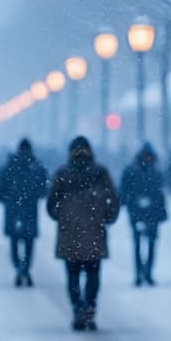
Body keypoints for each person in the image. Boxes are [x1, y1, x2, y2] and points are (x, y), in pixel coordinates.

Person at [46, 136, 120, 331]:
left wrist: (62, 217)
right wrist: (107, 218)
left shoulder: (63, 173)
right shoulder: (100, 173)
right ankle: (90, 306)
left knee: (72, 274)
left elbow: (51, 204)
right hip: (94, 232)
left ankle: (77, 307)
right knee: (93, 272)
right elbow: (113, 199)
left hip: (70, 233)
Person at [0, 139, 49, 286]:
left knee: (14, 241)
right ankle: (26, 267)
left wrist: (5, 198)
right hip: (30, 209)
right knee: (29, 242)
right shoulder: (36, 166)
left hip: (13, 209)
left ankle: (18, 266)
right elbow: (44, 188)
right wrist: (34, 196)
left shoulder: (10, 165)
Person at [119, 143, 168, 286]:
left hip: (144, 212)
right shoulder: (152, 171)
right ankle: (142, 273)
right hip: (142, 212)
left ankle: (145, 273)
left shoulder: (133, 171)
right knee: (141, 244)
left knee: (145, 244)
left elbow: (159, 193)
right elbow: (125, 191)